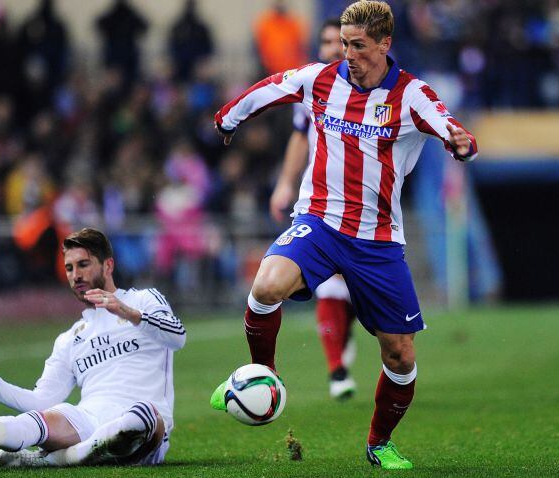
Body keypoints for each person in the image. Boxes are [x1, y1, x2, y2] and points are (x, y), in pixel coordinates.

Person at [211, 1, 477, 470]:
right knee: (266, 285)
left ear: (384, 44)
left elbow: (445, 123)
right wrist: (229, 117)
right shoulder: (321, 78)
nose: (347, 53)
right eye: (344, 43)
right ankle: (263, 377)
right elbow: (273, 86)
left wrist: (460, 141)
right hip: (319, 221)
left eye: (357, 45)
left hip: (377, 239)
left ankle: (379, 443)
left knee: (399, 355)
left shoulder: (411, 94)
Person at [0, 228, 185, 468]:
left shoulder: (143, 300)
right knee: (49, 417)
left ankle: (53, 459)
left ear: (108, 266)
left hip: (145, 422)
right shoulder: (70, 338)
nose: (75, 275)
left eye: (83, 264)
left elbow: (177, 336)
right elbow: (41, 401)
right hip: (91, 419)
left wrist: (127, 312)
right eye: (69, 268)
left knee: (139, 417)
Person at [269, 18, 358, 401]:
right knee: (330, 286)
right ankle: (336, 369)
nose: (332, 49)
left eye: (339, 42)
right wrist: (285, 184)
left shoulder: (376, 84)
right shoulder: (313, 87)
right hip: (322, 204)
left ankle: (348, 330)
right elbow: (299, 136)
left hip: (368, 205)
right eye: (325, 42)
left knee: (356, 289)